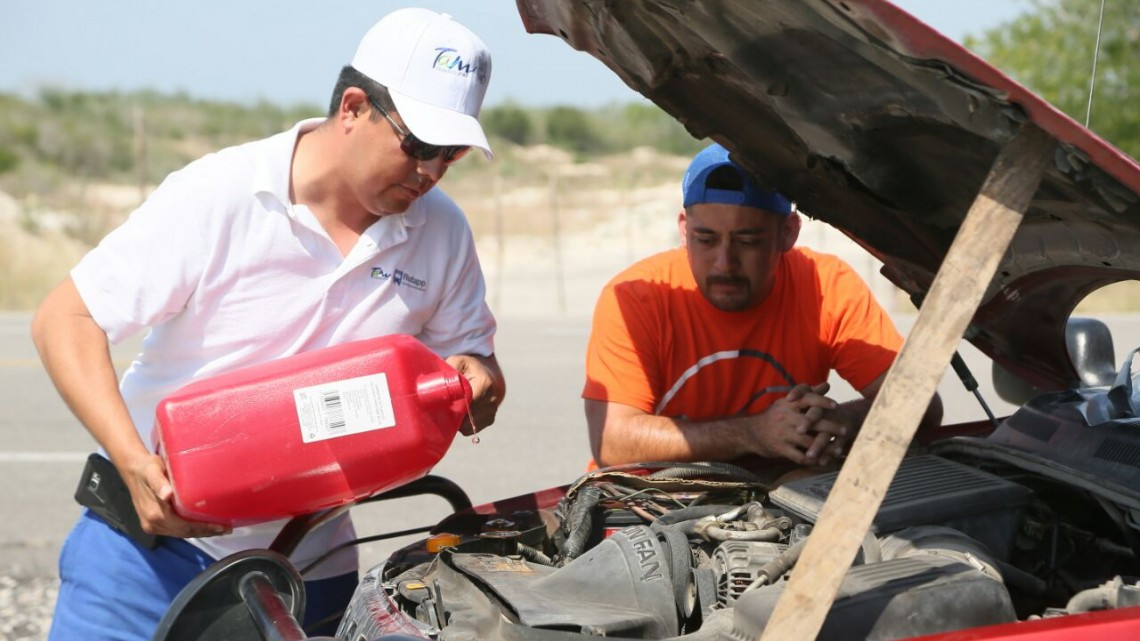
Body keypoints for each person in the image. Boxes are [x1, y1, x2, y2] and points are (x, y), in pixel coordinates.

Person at [31, 8, 505, 640]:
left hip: (305, 569)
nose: (431, 171)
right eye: (418, 145)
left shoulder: (442, 232)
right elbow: (68, 317)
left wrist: (476, 380)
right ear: (354, 108)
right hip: (144, 559)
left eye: (451, 155)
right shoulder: (223, 194)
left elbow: (477, 368)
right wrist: (132, 461)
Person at [582, 143, 941, 473]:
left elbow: (923, 405)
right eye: (705, 240)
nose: (724, 263)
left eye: (747, 241)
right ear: (683, 228)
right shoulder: (636, 296)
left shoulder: (827, 285)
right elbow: (612, 443)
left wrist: (843, 420)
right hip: (649, 508)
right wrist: (752, 433)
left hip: (777, 503)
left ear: (788, 233)